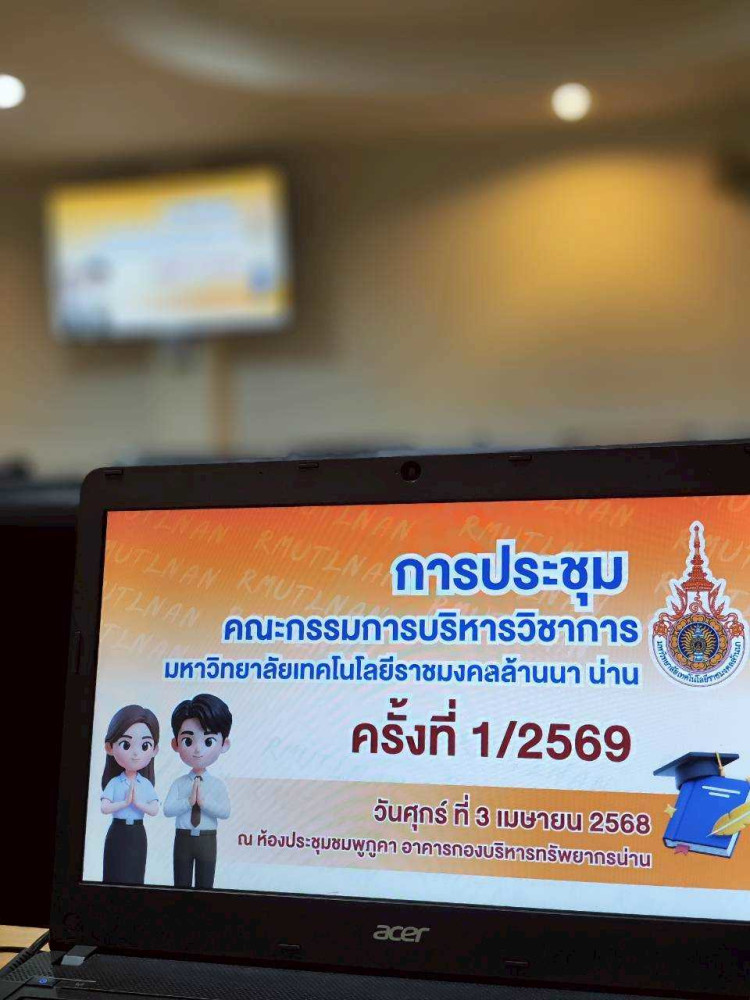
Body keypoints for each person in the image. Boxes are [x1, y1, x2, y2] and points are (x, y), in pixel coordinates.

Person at [163, 693, 232, 889]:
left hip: (207, 839)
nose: (198, 750)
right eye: (188, 741)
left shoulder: (217, 785)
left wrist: (204, 803)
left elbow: (225, 812)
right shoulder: (179, 783)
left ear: (224, 744)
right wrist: (188, 802)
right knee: (180, 883)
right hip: (183, 838)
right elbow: (167, 810)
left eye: (208, 741)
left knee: (206, 884)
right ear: (176, 744)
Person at [100, 705, 160, 884]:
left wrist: (138, 803)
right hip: (117, 832)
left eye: (145, 746)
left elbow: (154, 810)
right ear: (110, 747)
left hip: (137, 834)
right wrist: (125, 803)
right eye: (126, 744)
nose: (135, 754)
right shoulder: (114, 782)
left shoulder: (146, 784)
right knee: (112, 874)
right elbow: (104, 808)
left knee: (135, 876)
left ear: (154, 750)